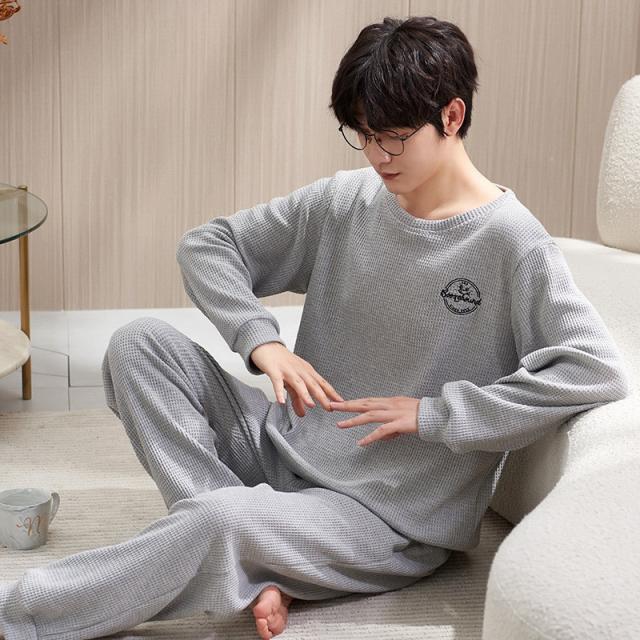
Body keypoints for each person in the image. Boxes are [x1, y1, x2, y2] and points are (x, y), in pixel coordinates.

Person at [0, 14, 631, 640]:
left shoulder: (512, 243)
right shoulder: (346, 201)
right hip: (283, 446)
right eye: (363, 134)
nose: (377, 155)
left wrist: (436, 413)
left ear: (452, 116)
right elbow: (208, 246)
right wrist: (263, 342)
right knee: (138, 346)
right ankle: (254, 555)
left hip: (383, 518)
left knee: (220, 523)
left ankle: (21, 613)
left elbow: (593, 370)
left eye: (394, 137)